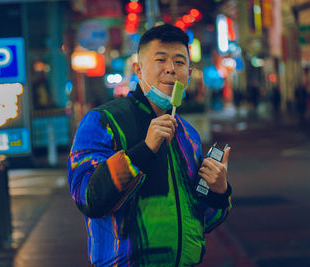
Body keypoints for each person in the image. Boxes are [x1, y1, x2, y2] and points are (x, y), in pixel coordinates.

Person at [68, 24, 232, 266]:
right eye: (161, 59)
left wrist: (219, 192)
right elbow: (87, 197)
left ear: (188, 71)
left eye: (179, 62)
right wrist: (142, 152)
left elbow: (201, 219)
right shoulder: (103, 121)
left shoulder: (189, 135)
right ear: (138, 69)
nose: (170, 70)